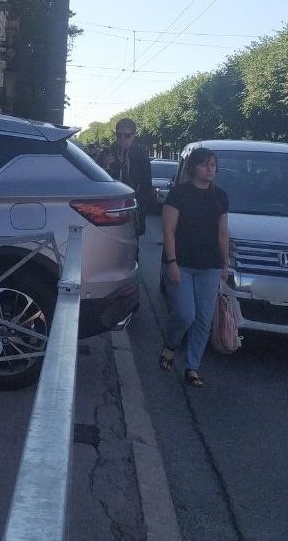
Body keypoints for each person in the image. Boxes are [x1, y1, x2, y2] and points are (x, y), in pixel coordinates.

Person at [158, 147, 229, 388]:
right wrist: (172, 262)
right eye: (205, 164)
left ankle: (192, 366)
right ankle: (170, 344)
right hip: (183, 264)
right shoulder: (178, 194)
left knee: (203, 319)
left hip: (209, 265)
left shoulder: (220, 196)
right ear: (193, 167)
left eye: (213, 164)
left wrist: (224, 263)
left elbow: (222, 233)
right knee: (184, 314)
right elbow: (168, 231)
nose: (210, 169)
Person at [109, 118, 152, 236]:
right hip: (111, 207)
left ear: (134, 135)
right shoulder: (109, 151)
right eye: (118, 135)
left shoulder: (141, 154)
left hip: (132, 207)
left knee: (132, 246)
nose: (122, 139)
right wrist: (104, 166)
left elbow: (146, 184)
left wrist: (140, 208)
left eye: (127, 135)